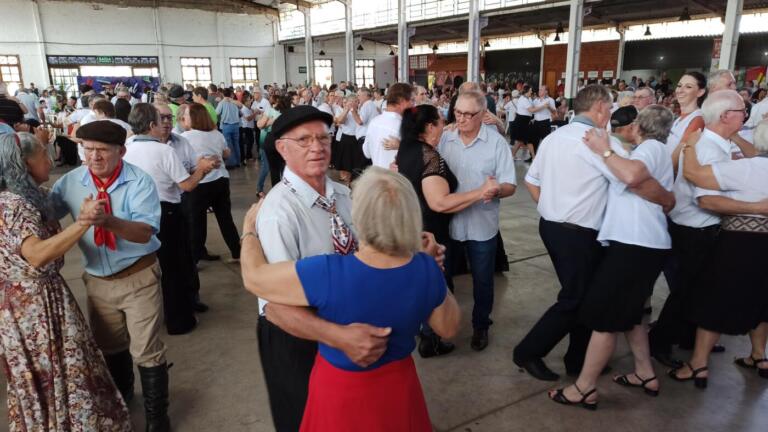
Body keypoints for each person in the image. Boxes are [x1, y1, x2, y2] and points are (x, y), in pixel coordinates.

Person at [242, 166, 460, 432]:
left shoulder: (329, 272)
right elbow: (448, 328)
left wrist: (249, 232)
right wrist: (433, 271)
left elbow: (254, 278)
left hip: (342, 394)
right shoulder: (424, 267)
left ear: (359, 215)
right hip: (398, 388)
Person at [514, 85, 674, 382]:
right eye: (610, 107)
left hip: (554, 227)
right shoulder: (595, 142)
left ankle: (578, 359)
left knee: (587, 296)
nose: (611, 114)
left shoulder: (553, 137)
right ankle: (528, 352)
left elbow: (532, 181)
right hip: (579, 233)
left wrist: (555, 208)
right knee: (576, 298)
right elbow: (632, 179)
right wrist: (667, 198)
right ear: (600, 108)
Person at [0, 131, 133, 431]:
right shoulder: (13, 205)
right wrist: (83, 223)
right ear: (23, 162)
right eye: (43, 155)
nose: (50, 160)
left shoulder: (31, 195)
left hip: (45, 298)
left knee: (64, 367)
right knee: (51, 370)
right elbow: (36, 255)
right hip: (32, 308)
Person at [549, 106, 675, 409]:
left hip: (636, 245)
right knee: (632, 315)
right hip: (639, 243)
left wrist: (604, 151)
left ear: (636, 127)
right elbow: (642, 183)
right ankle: (645, 373)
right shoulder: (647, 151)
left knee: (603, 318)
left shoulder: (651, 148)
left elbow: (631, 175)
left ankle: (584, 388)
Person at [50, 120, 171, 431]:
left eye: (102, 150)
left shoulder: (139, 182)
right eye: (87, 149)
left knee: (146, 350)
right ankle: (124, 398)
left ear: (121, 151)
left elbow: (145, 233)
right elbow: (46, 213)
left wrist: (107, 221)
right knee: (111, 346)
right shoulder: (71, 182)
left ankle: (158, 418)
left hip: (138, 276)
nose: (94, 157)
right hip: (98, 281)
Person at [649, 90, 750, 368]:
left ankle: (684, 336)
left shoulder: (715, 144)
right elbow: (706, 197)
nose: (746, 115)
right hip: (695, 228)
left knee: (694, 289)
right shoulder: (707, 147)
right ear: (726, 116)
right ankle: (660, 341)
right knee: (686, 290)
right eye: (742, 111)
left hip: (696, 226)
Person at [668, 115, 768, 388]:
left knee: (716, 300)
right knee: (761, 300)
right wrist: (736, 137)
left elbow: (694, 175)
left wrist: (688, 146)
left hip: (741, 241)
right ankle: (759, 356)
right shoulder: (751, 164)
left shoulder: (748, 169)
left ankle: (698, 364)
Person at [396, 104, 500, 358]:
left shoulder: (406, 149)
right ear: (430, 126)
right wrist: (480, 192)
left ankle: (425, 333)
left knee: (422, 283)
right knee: (438, 287)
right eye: (442, 122)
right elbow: (439, 202)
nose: (446, 125)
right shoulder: (430, 156)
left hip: (412, 227)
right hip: (432, 231)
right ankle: (431, 339)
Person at [124, 104, 217, 334]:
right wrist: (203, 169)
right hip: (165, 212)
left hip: (137, 214)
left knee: (153, 266)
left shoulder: (127, 148)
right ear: (151, 125)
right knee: (172, 267)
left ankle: (160, 314)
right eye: (160, 118)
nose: (166, 122)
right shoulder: (163, 151)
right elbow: (186, 184)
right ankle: (178, 321)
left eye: (169, 117)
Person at [438, 91, 517, 350]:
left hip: (482, 224)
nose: (460, 119)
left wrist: (497, 191)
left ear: (483, 115)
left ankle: (481, 325)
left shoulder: (496, 144)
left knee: (482, 280)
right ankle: (442, 326)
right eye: (457, 113)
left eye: (468, 114)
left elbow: (510, 185)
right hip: (449, 223)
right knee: (444, 276)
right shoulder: (445, 139)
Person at [180, 103, 241, 263]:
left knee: (197, 222)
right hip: (221, 180)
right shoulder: (216, 134)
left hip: (200, 183)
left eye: (185, 115)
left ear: (193, 118)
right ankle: (237, 252)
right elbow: (226, 153)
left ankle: (194, 259)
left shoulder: (186, 137)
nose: (183, 118)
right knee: (225, 218)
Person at [362, 83, 413, 169]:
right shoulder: (404, 125)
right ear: (402, 101)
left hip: (377, 175)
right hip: (396, 179)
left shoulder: (374, 122)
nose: (412, 104)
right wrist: (402, 146)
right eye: (411, 100)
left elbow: (367, 153)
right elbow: (414, 157)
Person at [666, 72, 707, 172]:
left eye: (688, 87)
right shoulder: (679, 119)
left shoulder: (698, 119)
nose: (680, 90)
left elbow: (678, 157)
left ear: (700, 92)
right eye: (679, 86)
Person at [216, 88, 242, 168]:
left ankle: (231, 163)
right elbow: (240, 108)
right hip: (236, 125)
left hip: (226, 126)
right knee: (236, 144)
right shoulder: (235, 102)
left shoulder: (222, 103)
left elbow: (216, 112)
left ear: (223, 94)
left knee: (229, 145)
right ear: (231, 94)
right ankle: (238, 162)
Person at [530, 85, 556, 159]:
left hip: (545, 122)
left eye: (541, 90)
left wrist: (549, 107)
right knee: (534, 140)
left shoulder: (550, 100)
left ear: (546, 91)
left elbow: (554, 112)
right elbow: (532, 110)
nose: (539, 91)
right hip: (536, 122)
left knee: (545, 140)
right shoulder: (536, 100)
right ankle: (533, 156)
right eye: (539, 90)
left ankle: (546, 157)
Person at [511, 85, 534, 160]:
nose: (531, 92)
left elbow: (532, 108)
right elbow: (531, 110)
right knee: (526, 140)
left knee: (521, 141)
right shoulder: (523, 99)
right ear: (526, 91)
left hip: (525, 121)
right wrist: (543, 106)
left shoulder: (529, 98)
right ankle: (534, 157)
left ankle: (512, 155)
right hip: (521, 121)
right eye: (530, 90)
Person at [240, 91, 257, 162]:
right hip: (246, 128)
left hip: (249, 127)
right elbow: (248, 118)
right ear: (246, 101)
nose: (251, 101)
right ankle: (248, 156)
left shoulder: (248, 108)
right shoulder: (244, 109)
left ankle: (249, 155)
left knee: (251, 141)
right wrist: (255, 113)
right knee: (249, 142)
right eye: (250, 100)